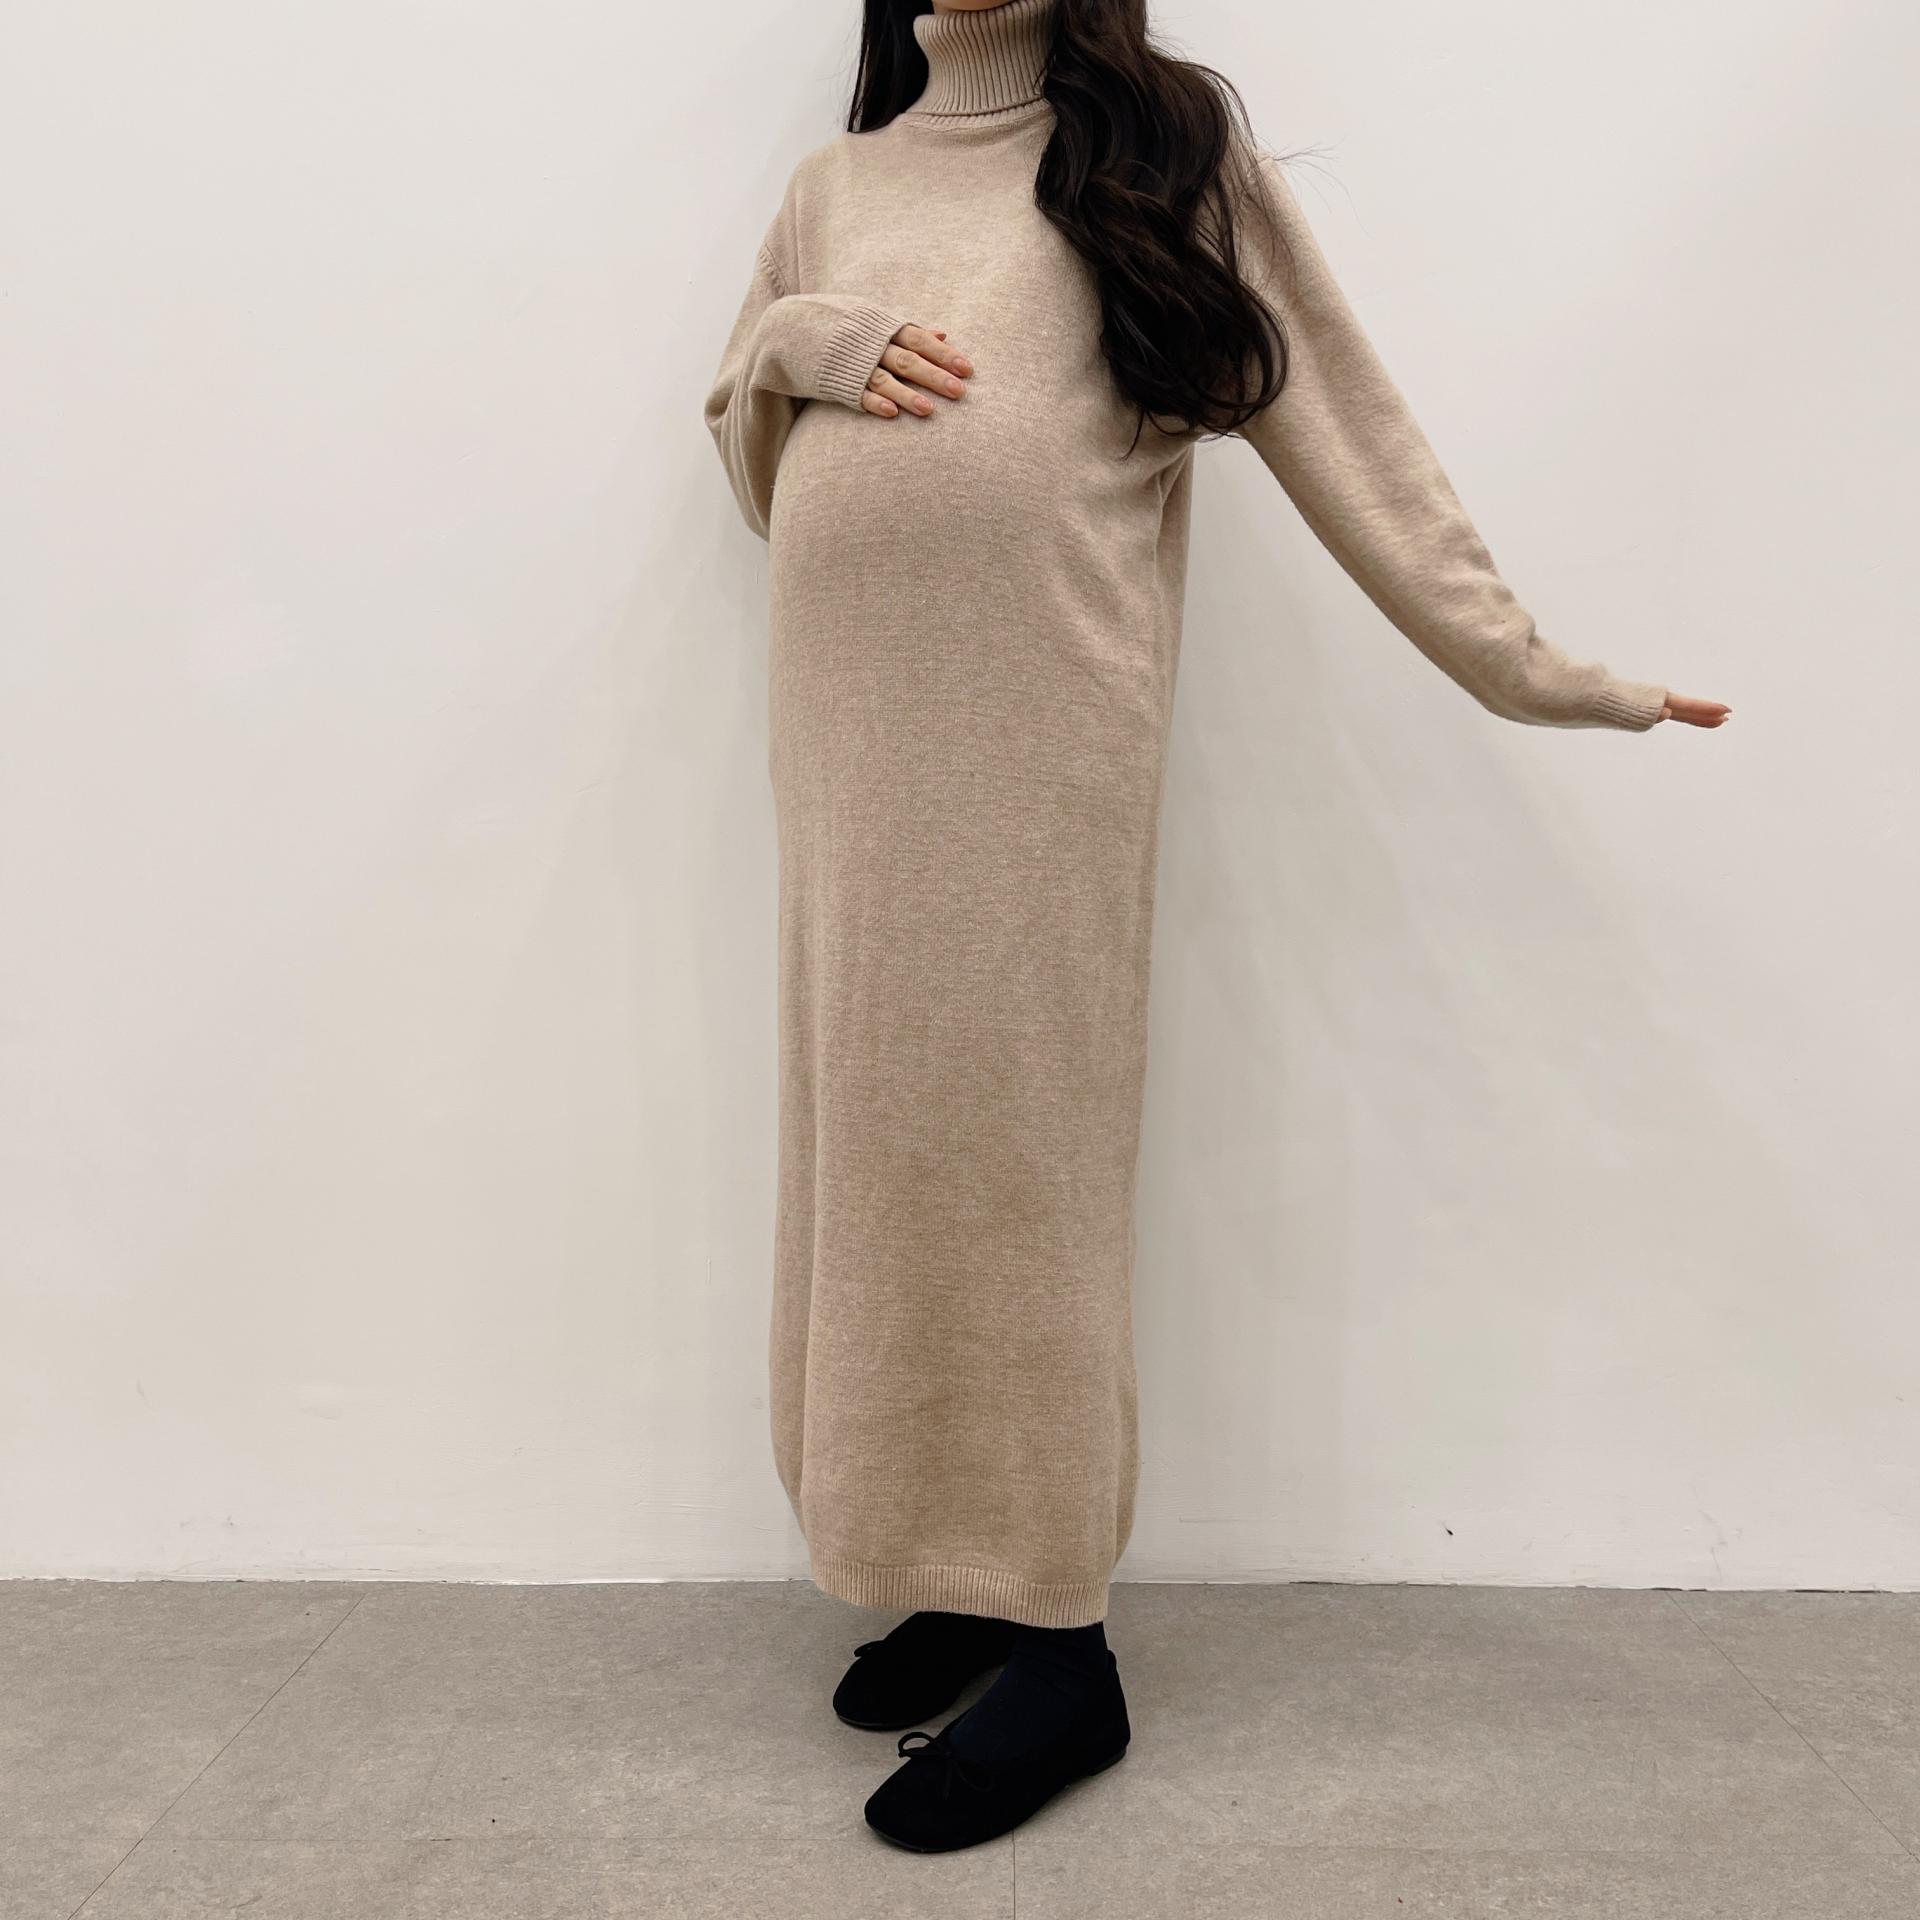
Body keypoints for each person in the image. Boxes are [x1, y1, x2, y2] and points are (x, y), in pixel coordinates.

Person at [701, 0, 1729, 1854]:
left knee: (1016, 1158)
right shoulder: (835, 184)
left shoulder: (1159, 150)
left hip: (1034, 752)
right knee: (876, 1143)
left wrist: (1535, 671)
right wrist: (791, 342)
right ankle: (951, 1567)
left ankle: (1062, 1645)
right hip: (847, 754)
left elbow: (1344, 425)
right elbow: (759, 472)